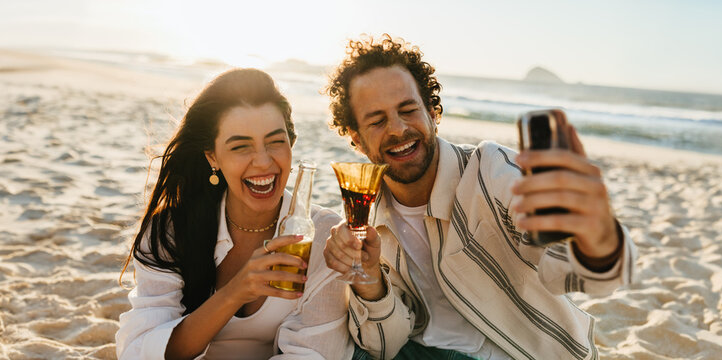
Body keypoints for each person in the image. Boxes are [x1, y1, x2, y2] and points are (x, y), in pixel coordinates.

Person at [323, 34, 638, 359]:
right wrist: (370, 278)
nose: (398, 129)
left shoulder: (491, 171)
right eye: (377, 121)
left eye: (408, 109)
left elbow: (573, 266)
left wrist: (594, 235)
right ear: (357, 140)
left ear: (433, 113)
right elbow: (386, 345)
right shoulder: (371, 221)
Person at [116, 68, 353, 359]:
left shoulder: (324, 236)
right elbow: (141, 350)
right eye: (241, 146)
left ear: (291, 143)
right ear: (212, 156)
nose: (263, 162)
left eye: (275, 141)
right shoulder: (172, 229)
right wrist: (236, 292)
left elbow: (314, 354)